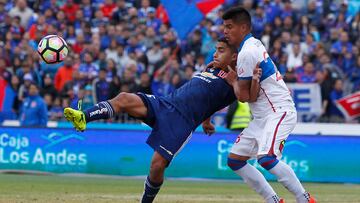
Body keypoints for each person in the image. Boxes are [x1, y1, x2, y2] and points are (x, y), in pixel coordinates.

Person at [64, 38, 262, 203]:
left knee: (157, 166)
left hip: (181, 122)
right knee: (124, 98)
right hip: (166, 104)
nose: (215, 54)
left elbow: (244, 97)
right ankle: (83, 117)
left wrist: (234, 81)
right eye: (215, 50)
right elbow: (208, 96)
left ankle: (146, 201)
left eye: (220, 51)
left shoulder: (238, 78)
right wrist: (207, 121)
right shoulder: (212, 68)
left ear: (235, 56)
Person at [222, 7, 316, 203]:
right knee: (235, 160)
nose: (225, 31)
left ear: (244, 27)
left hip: (278, 111)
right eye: (224, 27)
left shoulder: (247, 53)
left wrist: (232, 81)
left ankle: (305, 199)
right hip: (262, 116)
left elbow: (245, 97)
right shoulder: (253, 44)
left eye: (230, 27)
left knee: (266, 158)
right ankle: (273, 199)